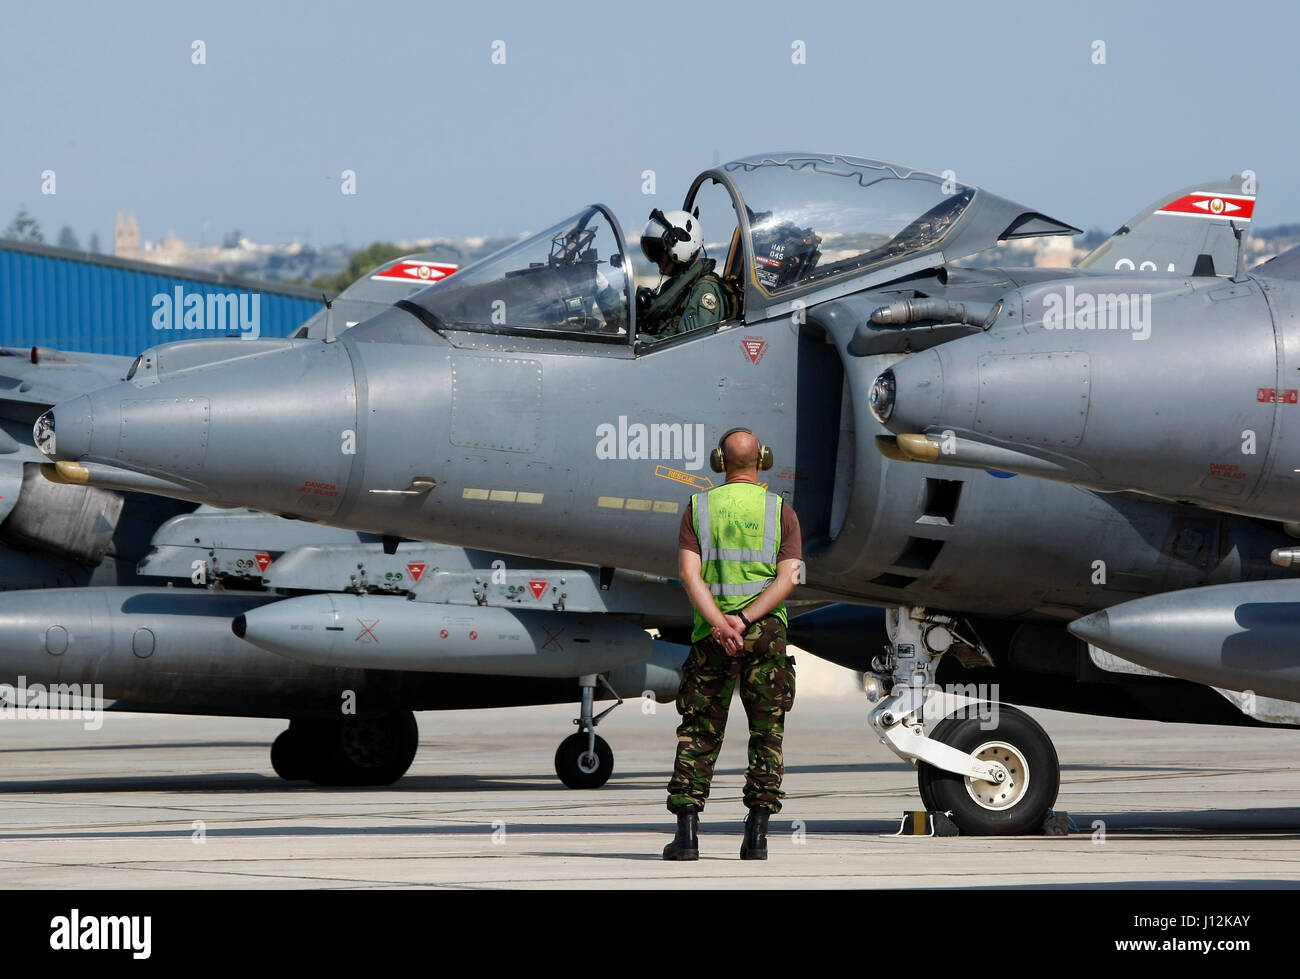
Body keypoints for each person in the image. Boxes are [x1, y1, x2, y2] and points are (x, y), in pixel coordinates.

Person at [663, 428, 802, 861]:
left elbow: (690, 575)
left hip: (712, 635)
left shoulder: (698, 507)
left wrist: (720, 624)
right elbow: (789, 578)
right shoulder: (781, 511)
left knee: (699, 731)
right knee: (767, 732)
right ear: (761, 458)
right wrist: (745, 619)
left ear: (718, 462)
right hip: (764, 634)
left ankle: (687, 836)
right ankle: (756, 835)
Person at [637, 208, 732, 340]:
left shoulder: (704, 291)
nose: (655, 259)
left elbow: (687, 346)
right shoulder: (675, 286)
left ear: (679, 248)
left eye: (658, 252)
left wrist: (639, 341)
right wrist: (603, 289)